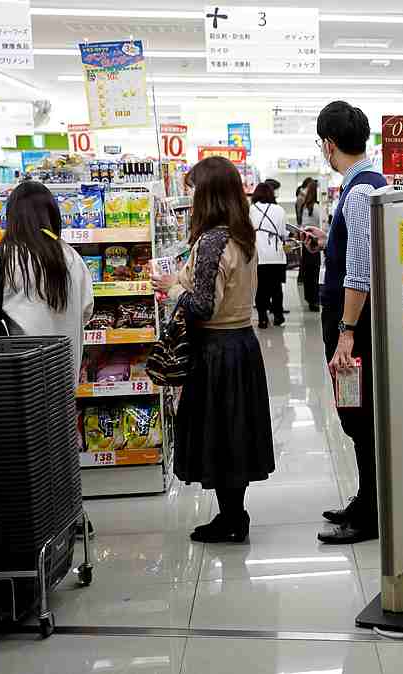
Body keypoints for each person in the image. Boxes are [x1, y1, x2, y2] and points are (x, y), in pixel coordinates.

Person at [152, 156, 274, 544]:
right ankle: (234, 515)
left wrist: (172, 285)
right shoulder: (242, 233)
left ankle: (232, 519)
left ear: (207, 193)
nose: (188, 195)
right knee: (235, 433)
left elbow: (203, 305)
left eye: (192, 188)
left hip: (217, 350)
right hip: (242, 344)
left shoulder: (211, 241)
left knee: (220, 434)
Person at [301, 101, 386, 545]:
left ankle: (371, 513)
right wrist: (325, 240)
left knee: (358, 413)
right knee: (358, 413)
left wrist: (346, 333)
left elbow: (361, 270)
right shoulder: (367, 185)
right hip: (357, 321)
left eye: (322, 144)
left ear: (330, 145)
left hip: (354, 325)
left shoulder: (356, 193)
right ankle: (365, 498)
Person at [0, 180, 94, 384]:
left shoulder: (1, 261)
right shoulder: (72, 258)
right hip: (64, 389)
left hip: (20, 392)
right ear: (53, 216)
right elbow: (85, 312)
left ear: (12, 219)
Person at [251, 182, 288, 329]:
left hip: (258, 255)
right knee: (276, 287)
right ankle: (278, 316)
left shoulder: (251, 210)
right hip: (277, 255)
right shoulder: (279, 210)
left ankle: (262, 319)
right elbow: (284, 234)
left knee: (260, 288)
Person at [297, 179, 323, 312]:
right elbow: (321, 225)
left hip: (306, 241)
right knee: (315, 272)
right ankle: (314, 300)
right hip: (316, 242)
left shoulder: (305, 206)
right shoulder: (318, 207)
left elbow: (302, 224)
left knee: (308, 271)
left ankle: (310, 298)